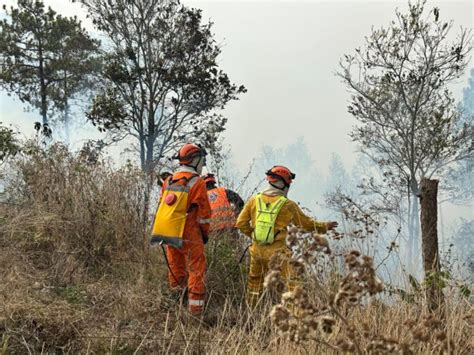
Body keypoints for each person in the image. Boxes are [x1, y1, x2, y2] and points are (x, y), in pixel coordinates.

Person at [236, 165, 338, 306]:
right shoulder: (288, 205)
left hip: (257, 250)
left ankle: (251, 314)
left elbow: (240, 223)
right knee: (292, 284)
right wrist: (324, 227)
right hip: (278, 253)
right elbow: (306, 224)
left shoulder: (254, 200)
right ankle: (295, 316)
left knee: (254, 284)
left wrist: (254, 235)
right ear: (284, 183)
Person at [150, 143, 211, 315]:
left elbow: (163, 204)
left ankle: (176, 302)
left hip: (169, 231)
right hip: (190, 231)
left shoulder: (169, 180)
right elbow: (204, 214)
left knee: (175, 266)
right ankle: (195, 310)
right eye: (201, 160)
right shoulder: (197, 182)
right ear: (194, 160)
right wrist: (204, 233)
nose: (203, 164)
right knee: (196, 268)